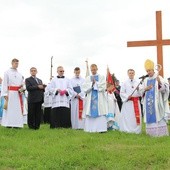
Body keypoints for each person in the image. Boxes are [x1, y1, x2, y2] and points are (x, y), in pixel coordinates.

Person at [140, 59, 169, 137]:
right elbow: (141, 90)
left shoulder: (159, 77)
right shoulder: (145, 80)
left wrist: (159, 82)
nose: (148, 72)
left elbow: (164, 90)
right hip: (148, 103)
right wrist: (145, 89)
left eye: (149, 70)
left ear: (153, 70)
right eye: (147, 71)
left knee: (158, 115)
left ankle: (161, 134)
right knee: (150, 115)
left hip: (157, 103)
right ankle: (151, 134)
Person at [82, 64, 108, 133]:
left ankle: (101, 129)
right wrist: (91, 84)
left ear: (97, 69)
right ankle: (90, 129)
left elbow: (103, 86)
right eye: (92, 70)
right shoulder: (88, 78)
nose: (93, 71)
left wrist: (96, 84)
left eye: (94, 69)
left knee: (100, 111)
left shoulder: (101, 77)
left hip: (99, 97)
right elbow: (84, 87)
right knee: (89, 111)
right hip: (90, 97)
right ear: (90, 70)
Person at [1, 58, 24, 128]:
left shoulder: (20, 74)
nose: (16, 64)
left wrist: (22, 89)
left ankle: (17, 124)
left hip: (17, 94)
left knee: (17, 109)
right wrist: (5, 94)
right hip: (10, 93)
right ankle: (8, 124)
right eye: (15, 63)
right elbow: (4, 83)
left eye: (17, 63)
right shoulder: (7, 72)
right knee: (10, 109)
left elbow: (21, 84)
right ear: (12, 63)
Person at [118, 69, 142, 134]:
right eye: (130, 73)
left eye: (132, 73)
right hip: (128, 102)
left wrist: (139, 89)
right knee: (128, 117)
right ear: (128, 74)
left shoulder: (138, 82)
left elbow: (141, 93)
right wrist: (127, 96)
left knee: (135, 117)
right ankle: (127, 129)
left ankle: (136, 131)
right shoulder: (124, 83)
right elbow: (122, 92)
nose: (131, 74)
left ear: (134, 74)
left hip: (136, 102)